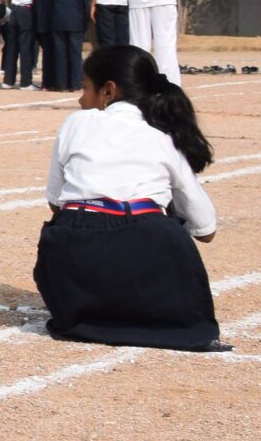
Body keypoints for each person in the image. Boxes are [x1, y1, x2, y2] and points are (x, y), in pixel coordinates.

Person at [33, 43, 220, 351]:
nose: (81, 99)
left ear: (108, 91)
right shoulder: (164, 139)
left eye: (85, 88)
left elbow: (56, 203)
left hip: (74, 261)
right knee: (163, 229)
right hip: (148, 250)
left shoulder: (76, 123)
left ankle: (91, 308)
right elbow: (206, 229)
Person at [40, 0, 89, 91]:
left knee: (60, 53)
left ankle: (61, 84)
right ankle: (75, 83)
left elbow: (50, 3)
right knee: (75, 53)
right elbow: (85, 4)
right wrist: (85, 22)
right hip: (76, 21)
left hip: (58, 21)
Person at [3, 0, 43, 90]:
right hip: (27, 10)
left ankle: (8, 80)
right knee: (26, 46)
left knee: (12, 46)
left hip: (15, 10)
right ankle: (26, 81)